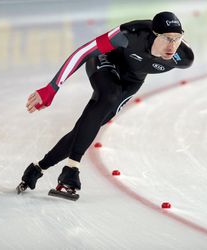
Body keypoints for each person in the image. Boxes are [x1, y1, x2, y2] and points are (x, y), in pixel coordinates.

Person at [17, 11, 194, 197]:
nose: (172, 45)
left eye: (177, 38)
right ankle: (71, 169)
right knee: (109, 95)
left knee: (91, 124)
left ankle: (37, 169)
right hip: (106, 60)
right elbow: (84, 51)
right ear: (153, 34)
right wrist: (52, 88)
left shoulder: (183, 57)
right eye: (167, 38)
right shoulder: (131, 33)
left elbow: (161, 56)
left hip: (132, 80)